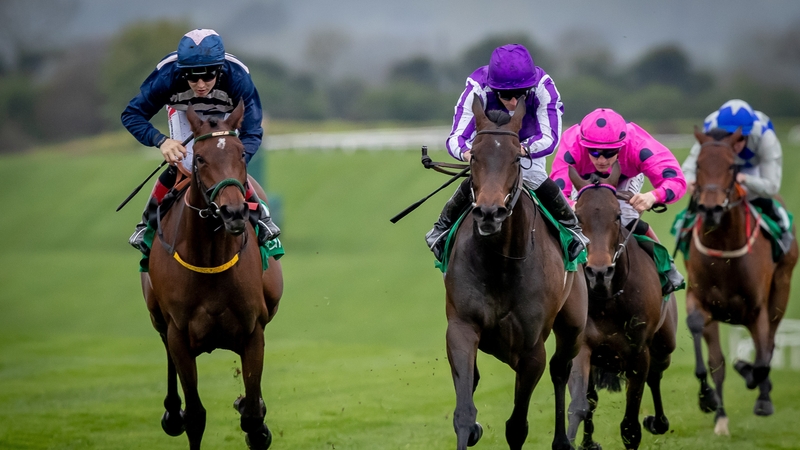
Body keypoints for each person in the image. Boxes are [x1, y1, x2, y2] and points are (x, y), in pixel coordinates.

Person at [121, 28, 279, 255]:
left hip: (226, 112)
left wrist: (235, 161)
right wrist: (161, 141)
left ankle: (261, 217)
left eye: (207, 76)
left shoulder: (238, 78)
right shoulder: (167, 76)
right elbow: (131, 115)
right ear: (181, 71)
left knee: (226, 166)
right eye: (192, 77)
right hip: (185, 111)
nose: (201, 84)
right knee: (185, 163)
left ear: (220, 69)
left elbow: (253, 131)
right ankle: (148, 221)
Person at [426, 43, 588, 262]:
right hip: (488, 145)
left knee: (532, 176)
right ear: (493, 88)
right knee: (480, 179)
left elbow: (549, 138)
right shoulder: (477, 87)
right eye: (506, 95)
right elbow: (456, 138)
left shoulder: (544, 88)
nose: (513, 102)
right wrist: (469, 154)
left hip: (527, 145)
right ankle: (441, 229)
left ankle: (572, 229)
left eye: (520, 95)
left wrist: (520, 150)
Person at [550, 107, 686, 295]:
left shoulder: (639, 144)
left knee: (627, 217)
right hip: (582, 180)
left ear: (622, 146)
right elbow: (557, 192)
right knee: (574, 220)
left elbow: (676, 180)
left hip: (624, 178)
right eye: (594, 153)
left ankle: (667, 266)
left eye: (610, 152)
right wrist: (573, 206)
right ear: (583, 145)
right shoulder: (572, 144)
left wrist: (652, 197)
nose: (602, 160)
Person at [681, 99, 793, 253]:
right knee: (701, 200)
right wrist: (690, 182)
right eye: (727, 135)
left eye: (739, 137)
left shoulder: (766, 138)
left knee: (755, 197)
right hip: (721, 168)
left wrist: (746, 179)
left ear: (748, 134)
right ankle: (683, 234)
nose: (733, 143)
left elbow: (771, 186)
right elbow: (688, 167)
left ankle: (781, 227)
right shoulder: (711, 131)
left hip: (752, 168)